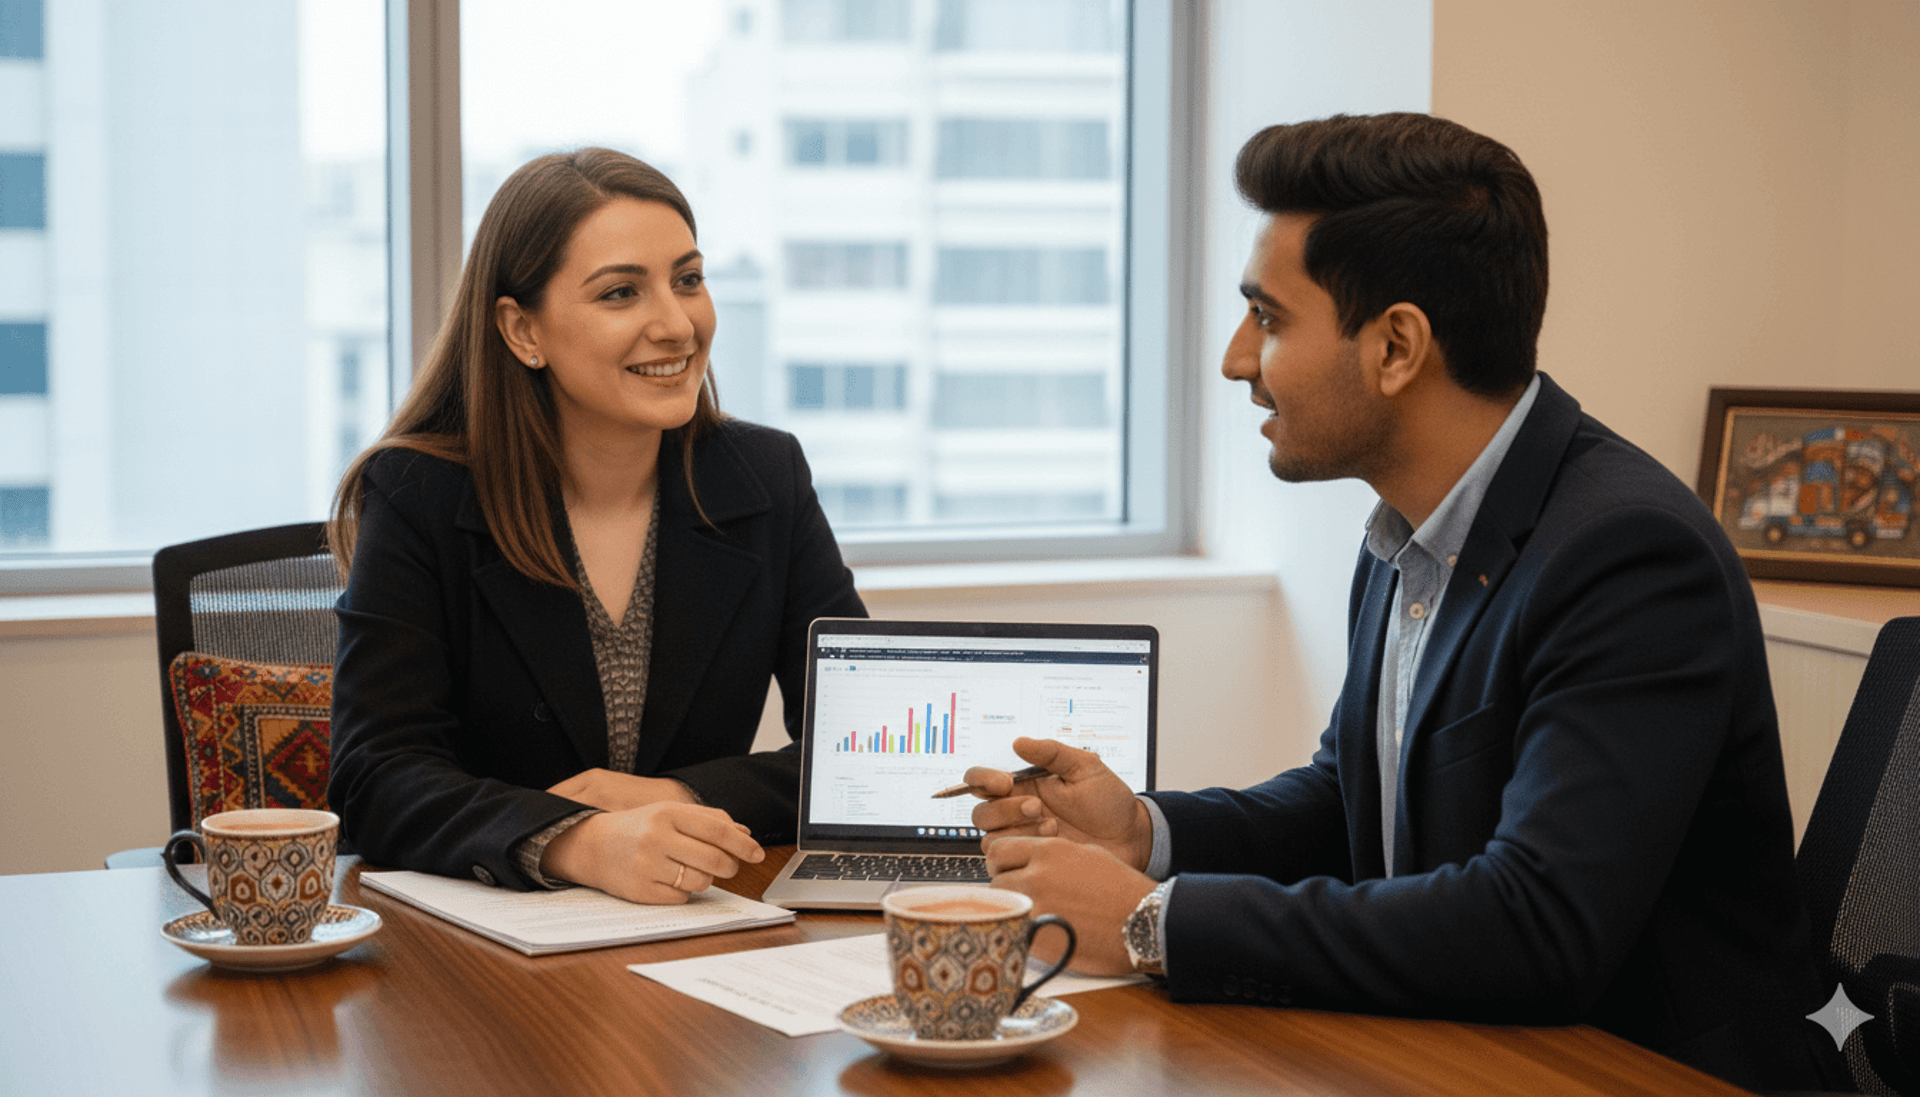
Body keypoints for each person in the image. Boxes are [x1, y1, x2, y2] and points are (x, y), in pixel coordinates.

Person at [967, 113, 1836, 1090]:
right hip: (1467, 1052)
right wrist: (1147, 835)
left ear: (1396, 347)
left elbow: (1538, 922)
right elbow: (1353, 799)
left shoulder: (1630, 556)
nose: (1235, 357)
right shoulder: (1405, 531)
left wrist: (1147, 921)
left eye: (1270, 317)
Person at [328, 148, 866, 905]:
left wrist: (682, 793)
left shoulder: (763, 478)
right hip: (483, 951)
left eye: (688, 280)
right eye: (621, 293)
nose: (677, 325)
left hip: (692, 932)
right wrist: (575, 840)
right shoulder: (420, 492)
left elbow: (864, 747)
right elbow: (375, 776)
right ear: (523, 331)